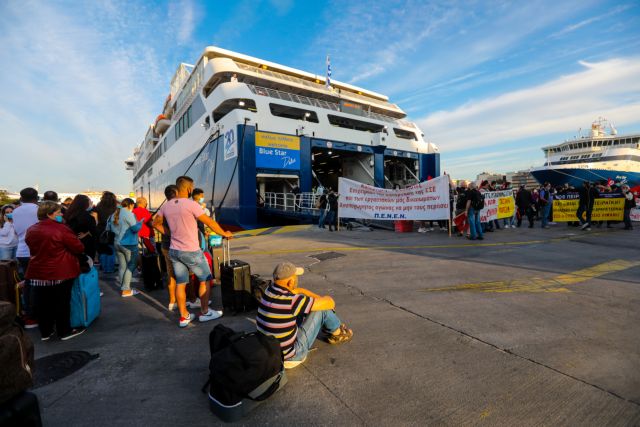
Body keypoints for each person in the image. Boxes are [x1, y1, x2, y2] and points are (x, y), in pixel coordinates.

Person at [153, 176, 233, 328]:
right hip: (191, 251)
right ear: (189, 189)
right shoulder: (191, 204)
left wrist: (169, 233)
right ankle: (205, 312)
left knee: (181, 283)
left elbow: (155, 223)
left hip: (174, 251)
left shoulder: (167, 205)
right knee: (205, 279)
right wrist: (224, 233)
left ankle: (184, 317)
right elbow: (209, 222)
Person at [256, 262, 353, 369]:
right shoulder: (292, 301)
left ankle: (334, 329)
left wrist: (300, 291)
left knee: (306, 307)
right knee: (321, 310)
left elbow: (291, 300)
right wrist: (304, 291)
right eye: (296, 277)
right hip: (291, 356)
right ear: (291, 282)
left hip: (271, 351)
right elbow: (330, 302)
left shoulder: (268, 290)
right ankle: (338, 333)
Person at [25, 201, 86, 341]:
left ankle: (45, 331)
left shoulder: (32, 229)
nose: (61, 215)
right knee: (62, 302)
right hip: (60, 270)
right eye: (58, 212)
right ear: (49, 214)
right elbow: (78, 247)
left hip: (38, 271)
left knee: (43, 303)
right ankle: (64, 330)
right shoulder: (61, 229)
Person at [12, 187, 40, 328]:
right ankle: (35, 316)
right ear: (36, 197)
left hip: (22, 251)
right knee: (39, 285)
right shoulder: (38, 210)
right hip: (37, 252)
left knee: (28, 284)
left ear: (21, 198)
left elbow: (16, 231)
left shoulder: (16, 211)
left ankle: (29, 315)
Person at [109, 198, 143, 297]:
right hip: (128, 244)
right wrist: (140, 222)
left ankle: (123, 287)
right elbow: (135, 228)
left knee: (122, 266)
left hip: (117, 243)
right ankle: (126, 289)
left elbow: (109, 228)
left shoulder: (114, 214)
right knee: (131, 265)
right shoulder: (129, 214)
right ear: (131, 205)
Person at [158, 185, 179, 310]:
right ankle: (192, 299)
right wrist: (173, 233)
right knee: (185, 274)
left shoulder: (163, 208)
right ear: (176, 192)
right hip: (179, 245)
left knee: (171, 273)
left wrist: (167, 233)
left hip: (166, 245)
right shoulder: (177, 207)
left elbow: (155, 223)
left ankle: (172, 301)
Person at [64, 194, 98, 259]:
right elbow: (94, 232)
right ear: (85, 204)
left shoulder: (68, 214)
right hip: (85, 245)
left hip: (70, 243)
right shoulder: (88, 217)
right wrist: (88, 233)